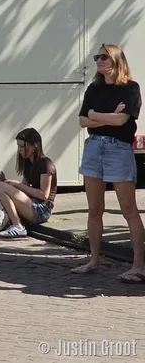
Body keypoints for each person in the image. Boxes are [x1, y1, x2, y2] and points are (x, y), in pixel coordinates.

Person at [73, 44, 145, 281]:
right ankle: (94, 260)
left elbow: (122, 120)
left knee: (128, 209)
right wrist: (106, 117)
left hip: (118, 148)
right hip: (94, 147)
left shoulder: (131, 88)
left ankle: (138, 266)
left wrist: (96, 115)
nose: (99, 61)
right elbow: (83, 121)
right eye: (98, 57)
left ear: (116, 60)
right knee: (94, 209)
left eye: (104, 56)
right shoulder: (94, 88)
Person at [0, 128, 57, 239]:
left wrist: (16, 184)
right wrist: (6, 182)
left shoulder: (45, 163)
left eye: (22, 146)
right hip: (30, 202)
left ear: (34, 146)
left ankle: (18, 226)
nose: (20, 150)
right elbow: (23, 189)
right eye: (18, 146)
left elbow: (44, 195)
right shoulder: (28, 163)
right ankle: (4, 220)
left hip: (42, 209)